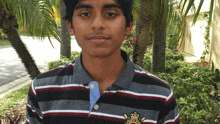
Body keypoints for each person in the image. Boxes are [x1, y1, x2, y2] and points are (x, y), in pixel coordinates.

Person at [26, 0, 179, 123]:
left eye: (110, 14)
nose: (97, 24)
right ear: (70, 26)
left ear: (129, 26)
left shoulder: (160, 97)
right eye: (85, 14)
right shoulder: (42, 91)